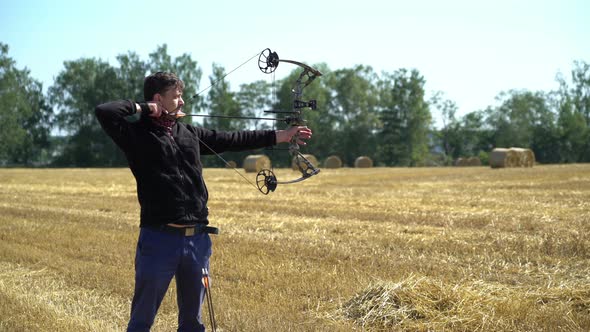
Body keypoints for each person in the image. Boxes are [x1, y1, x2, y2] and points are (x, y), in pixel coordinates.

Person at [95, 71, 312, 331]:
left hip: (197, 240)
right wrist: (142, 108)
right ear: (157, 99)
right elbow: (105, 111)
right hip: (159, 238)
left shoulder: (189, 133)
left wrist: (282, 135)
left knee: (193, 322)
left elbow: (234, 139)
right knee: (142, 320)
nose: (182, 101)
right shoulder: (136, 135)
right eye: (176, 97)